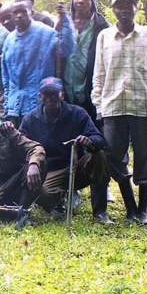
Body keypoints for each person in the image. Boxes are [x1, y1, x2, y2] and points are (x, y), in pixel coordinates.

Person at [91, 0, 147, 225]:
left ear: (136, 8)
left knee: (145, 158)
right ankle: (130, 206)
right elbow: (99, 72)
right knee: (114, 160)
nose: (124, 9)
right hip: (113, 106)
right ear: (113, 10)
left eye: (129, 5)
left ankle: (144, 210)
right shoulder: (105, 37)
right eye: (119, 6)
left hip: (142, 105)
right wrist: (98, 104)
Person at [19, 77, 112, 223]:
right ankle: (57, 201)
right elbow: (21, 146)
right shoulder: (30, 119)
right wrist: (34, 164)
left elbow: (100, 139)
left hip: (76, 166)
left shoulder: (77, 113)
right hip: (49, 171)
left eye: (54, 94)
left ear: (62, 94)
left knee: (99, 155)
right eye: (46, 94)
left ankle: (100, 212)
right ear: (40, 96)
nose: (50, 98)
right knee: (44, 195)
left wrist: (89, 141)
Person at [1, 0, 74, 127]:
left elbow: (66, 49)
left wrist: (65, 21)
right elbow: (6, 78)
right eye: (15, 12)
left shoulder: (46, 33)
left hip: (41, 105)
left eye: (23, 11)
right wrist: (8, 106)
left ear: (31, 12)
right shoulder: (9, 40)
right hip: (15, 107)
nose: (19, 15)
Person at [62, 0, 111, 123]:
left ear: (93, 1)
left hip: (89, 86)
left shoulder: (102, 26)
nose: (81, 1)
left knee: (90, 128)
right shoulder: (64, 22)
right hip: (66, 87)